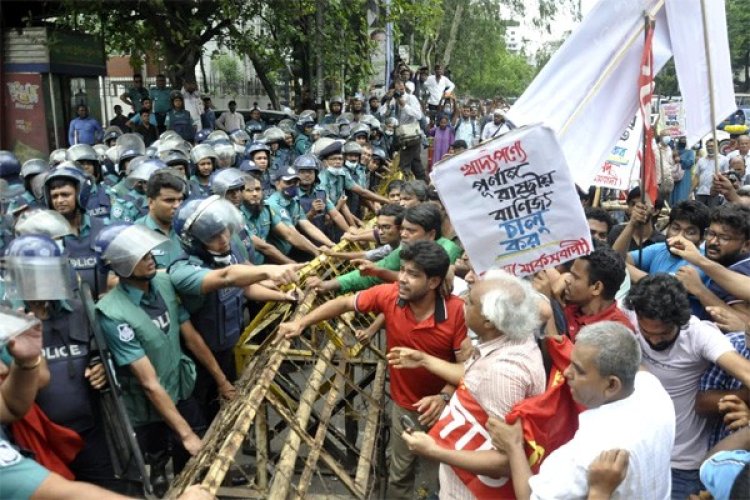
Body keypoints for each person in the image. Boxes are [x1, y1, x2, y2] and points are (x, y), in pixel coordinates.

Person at [280, 240, 467, 500]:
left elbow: (467, 368)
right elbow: (345, 304)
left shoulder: (457, 313)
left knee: (438, 478)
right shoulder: (390, 296)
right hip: (406, 405)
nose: (401, 279)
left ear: (434, 282)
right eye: (402, 270)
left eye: (412, 274)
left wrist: (444, 396)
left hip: (448, 410)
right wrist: (301, 323)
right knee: (400, 473)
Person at [391, 270, 546, 499]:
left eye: (471, 302)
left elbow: (507, 460)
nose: (463, 301)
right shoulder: (510, 340)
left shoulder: (502, 374)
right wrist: (424, 360)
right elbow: (473, 378)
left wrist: (435, 451)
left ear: (489, 321)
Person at [94, 223, 220, 494]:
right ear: (121, 264)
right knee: (158, 449)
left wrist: (222, 381)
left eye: (147, 251)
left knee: (195, 451)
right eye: (138, 256)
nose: (149, 257)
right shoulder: (112, 313)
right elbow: (148, 383)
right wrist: (185, 435)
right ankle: (161, 473)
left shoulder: (162, 283)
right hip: (146, 403)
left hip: (180, 384)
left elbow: (190, 335)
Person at [489, 321, 675, 500]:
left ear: (611, 385)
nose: (567, 372)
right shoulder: (654, 390)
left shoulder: (585, 452)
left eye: (579, 370)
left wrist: (514, 447)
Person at [168, 196, 301, 420]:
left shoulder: (227, 255)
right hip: (199, 361)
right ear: (195, 241)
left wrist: (283, 297)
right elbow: (229, 277)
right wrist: (269, 270)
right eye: (213, 236)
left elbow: (246, 289)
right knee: (202, 417)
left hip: (228, 346)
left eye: (225, 231)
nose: (224, 239)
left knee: (227, 409)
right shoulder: (184, 271)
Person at [624, 274, 750, 499]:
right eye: (646, 334)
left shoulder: (700, 335)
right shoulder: (629, 317)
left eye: (662, 334)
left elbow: (745, 371)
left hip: (683, 464)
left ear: (679, 321)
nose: (653, 341)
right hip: (640, 453)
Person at [307, 203, 462, 294]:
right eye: (403, 229)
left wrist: (448, 266)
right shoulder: (404, 249)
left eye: (411, 231)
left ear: (431, 234)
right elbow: (370, 273)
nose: (404, 234)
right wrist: (327, 284)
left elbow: (428, 271)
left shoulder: (448, 249)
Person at [43, 164, 110, 298]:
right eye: (55, 196)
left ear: (80, 194)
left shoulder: (104, 229)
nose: (59, 201)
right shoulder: (46, 237)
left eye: (65, 195)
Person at [673, 204, 750, 319]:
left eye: (724, 238)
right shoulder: (721, 261)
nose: (713, 242)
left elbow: (741, 324)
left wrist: (699, 290)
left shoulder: (742, 269)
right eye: (711, 233)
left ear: (746, 245)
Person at [612, 199, 710, 283]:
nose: (679, 237)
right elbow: (616, 258)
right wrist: (632, 224)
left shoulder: (702, 264)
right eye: (676, 228)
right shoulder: (660, 249)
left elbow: (662, 288)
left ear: (702, 238)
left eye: (690, 232)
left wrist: (621, 266)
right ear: (668, 228)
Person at [560, 247, 632, 340]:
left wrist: (550, 323)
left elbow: (574, 355)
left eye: (575, 277)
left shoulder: (618, 333)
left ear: (597, 287)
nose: (567, 280)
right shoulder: (566, 301)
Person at [135, 169, 187, 269]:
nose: (177, 205)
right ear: (151, 202)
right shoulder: (136, 233)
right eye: (169, 200)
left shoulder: (189, 230)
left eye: (180, 200)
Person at [379, 80, 426, 180]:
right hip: (398, 137)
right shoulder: (392, 100)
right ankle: (427, 185)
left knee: (403, 165)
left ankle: (402, 188)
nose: (400, 85)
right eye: (397, 84)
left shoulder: (411, 98)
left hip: (411, 137)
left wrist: (404, 105)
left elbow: (418, 115)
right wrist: (387, 100)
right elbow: (382, 114)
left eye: (401, 84)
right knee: (416, 165)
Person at [607, 187, 666, 251]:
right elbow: (612, 257)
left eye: (643, 205)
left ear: (655, 211)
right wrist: (632, 224)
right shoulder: (616, 232)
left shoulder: (662, 243)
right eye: (633, 204)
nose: (636, 209)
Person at [693, 138, 729, 207]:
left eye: (712, 146)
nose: (709, 148)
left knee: (713, 214)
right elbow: (696, 176)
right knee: (699, 214)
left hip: (716, 193)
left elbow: (726, 176)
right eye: (708, 146)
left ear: (717, 147)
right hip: (701, 192)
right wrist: (690, 191)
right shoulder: (701, 160)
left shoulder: (724, 160)